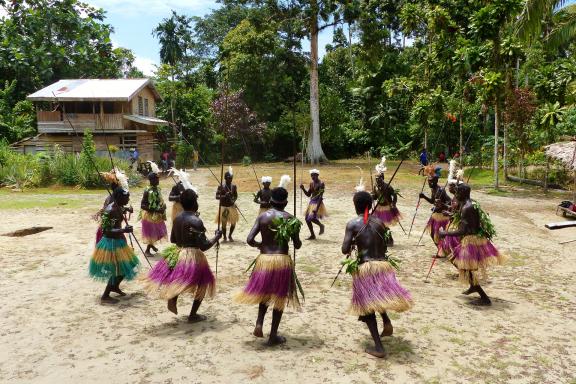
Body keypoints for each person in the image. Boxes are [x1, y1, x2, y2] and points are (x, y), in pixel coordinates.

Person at [341, 189, 413, 358]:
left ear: (355, 205)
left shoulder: (353, 224)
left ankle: (379, 348)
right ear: (371, 204)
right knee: (377, 296)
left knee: (367, 307)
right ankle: (386, 321)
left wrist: (352, 242)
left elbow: (344, 249)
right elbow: (385, 246)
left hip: (366, 267)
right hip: (382, 265)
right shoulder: (380, 223)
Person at [235, 175, 302, 346]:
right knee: (279, 296)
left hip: (264, 259)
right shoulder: (290, 218)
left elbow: (249, 239)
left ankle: (259, 323)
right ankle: (273, 335)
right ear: (285, 203)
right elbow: (297, 245)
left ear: (271, 201)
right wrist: (295, 237)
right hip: (282, 260)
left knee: (264, 292)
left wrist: (261, 245)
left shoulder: (263, 217)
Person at [142, 189, 222, 322]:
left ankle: (174, 296)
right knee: (203, 283)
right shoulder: (196, 220)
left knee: (182, 279)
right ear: (194, 203)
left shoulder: (177, 218)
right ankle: (193, 315)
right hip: (194, 256)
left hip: (181, 253)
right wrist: (217, 237)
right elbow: (204, 246)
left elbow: (174, 240)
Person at [439, 183, 505, 306]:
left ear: (463, 193)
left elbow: (463, 230)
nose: (456, 194)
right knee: (463, 266)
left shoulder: (466, 207)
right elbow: (469, 221)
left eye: (457, 192)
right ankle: (473, 286)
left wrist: (445, 233)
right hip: (476, 238)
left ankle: (484, 297)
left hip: (471, 240)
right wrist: (452, 215)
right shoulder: (471, 203)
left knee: (464, 267)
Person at [89, 186, 140, 304]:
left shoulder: (119, 207)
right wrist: (123, 230)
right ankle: (105, 296)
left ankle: (114, 286)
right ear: (118, 197)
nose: (128, 200)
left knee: (130, 265)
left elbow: (121, 212)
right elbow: (106, 231)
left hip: (119, 241)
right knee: (116, 269)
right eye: (126, 198)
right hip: (111, 243)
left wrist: (127, 210)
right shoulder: (110, 210)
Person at [371, 156, 401, 246]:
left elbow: (394, 195)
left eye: (379, 179)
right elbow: (375, 197)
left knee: (385, 225)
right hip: (378, 207)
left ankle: (389, 239)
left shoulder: (387, 186)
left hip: (386, 207)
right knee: (378, 224)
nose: (377, 181)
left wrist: (393, 203)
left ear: (382, 178)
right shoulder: (375, 187)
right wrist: (372, 196)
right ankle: (381, 239)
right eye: (376, 180)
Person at [420, 165, 451, 247]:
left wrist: (442, 204)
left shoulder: (440, 190)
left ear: (436, 181)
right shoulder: (433, 189)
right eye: (429, 182)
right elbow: (432, 201)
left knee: (438, 234)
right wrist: (424, 197)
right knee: (432, 233)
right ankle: (441, 249)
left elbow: (450, 202)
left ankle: (443, 249)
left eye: (432, 181)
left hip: (442, 215)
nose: (430, 183)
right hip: (435, 214)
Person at [141, 161, 168, 256]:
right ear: (151, 180)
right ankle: (147, 250)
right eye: (156, 179)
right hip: (149, 215)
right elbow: (143, 205)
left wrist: (163, 206)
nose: (158, 181)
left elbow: (159, 200)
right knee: (152, 233)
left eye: (158, 179)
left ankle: (151, 245)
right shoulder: (147, 191)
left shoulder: (157, 189)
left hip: (158, 214)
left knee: (160, 232)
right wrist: (156, 210)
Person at [437, 161, 463, 258]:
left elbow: (459, 214)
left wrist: (449, 213)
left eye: (451, 186)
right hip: (452, 223)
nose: (449, 188)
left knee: (454, 245)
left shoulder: (460, 199)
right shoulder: (455, 197)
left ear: (456, 188)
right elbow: (452, 208)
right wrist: (443, 205)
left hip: (457, 225)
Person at [300, 169, 326, 240]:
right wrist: (303, 189)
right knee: (307, 219)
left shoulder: (321, 184)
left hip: (318, 202)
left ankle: (321, 225)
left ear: (317, 175)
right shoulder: (311, 183)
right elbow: (308, 194)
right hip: (312, 201)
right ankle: (312, 235)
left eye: (314, 175)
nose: (312, 177)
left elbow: (321, 196)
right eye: (311, 175)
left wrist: (316, 208)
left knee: (311, 218)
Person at [215, 166, 239, 242]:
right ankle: (224, 236)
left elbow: (236, 196)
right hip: (224, 208)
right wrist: (224, 196)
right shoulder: (221, 186)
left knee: (233, 223)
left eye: (231, 177)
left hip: (231, 207)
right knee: (224, 223)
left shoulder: (234, 186)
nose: (230, 179)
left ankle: (230, 235)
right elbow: (217, 196)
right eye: (229, 178)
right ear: (225, 178)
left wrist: (233, 200)